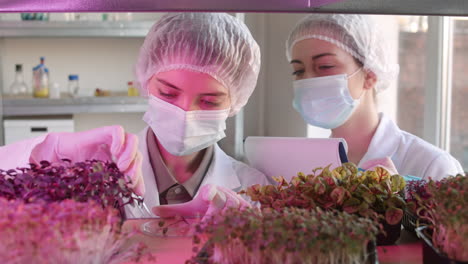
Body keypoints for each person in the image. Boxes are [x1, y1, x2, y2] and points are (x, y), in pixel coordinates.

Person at [0, 13, 269, 218]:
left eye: (209, 101)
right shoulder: (98, 171)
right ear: (145, 83)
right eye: (168, 94)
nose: (186, 113)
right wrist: (40, 161)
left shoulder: (251, 188)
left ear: (236, 101)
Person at [286, 14, 463, 180]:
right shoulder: (304, 167)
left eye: (325, 66)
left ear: (370, 75)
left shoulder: (431, 165)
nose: (308, 80)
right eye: (298, 71)